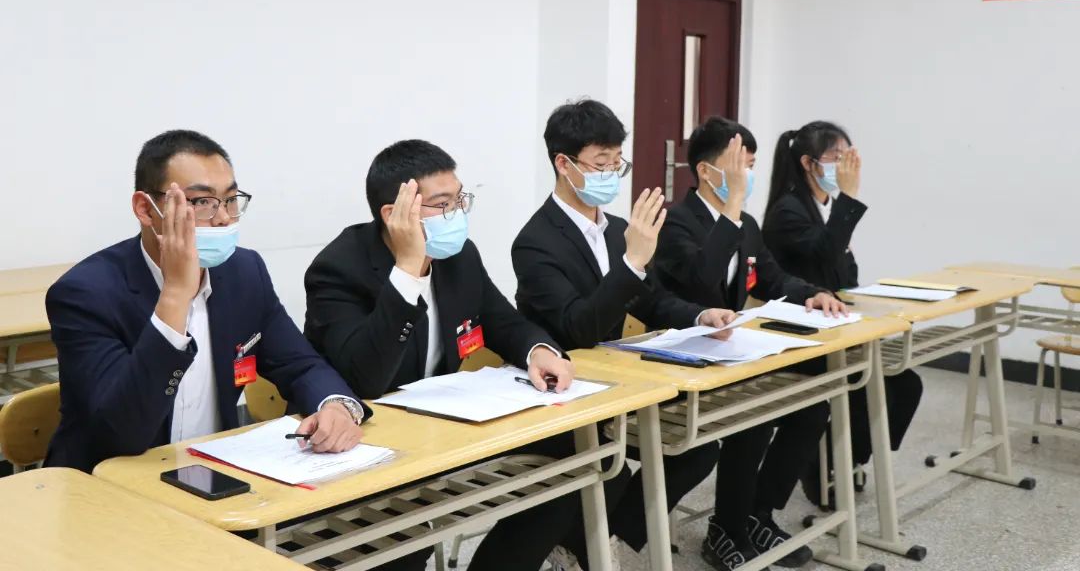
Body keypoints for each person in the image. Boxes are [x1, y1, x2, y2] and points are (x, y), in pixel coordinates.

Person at [304, 139, 581, 571]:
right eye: (442, 204)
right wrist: (407, 269)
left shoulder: (458, 256)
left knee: (571, 462)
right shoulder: (340, 268)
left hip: (444, 429)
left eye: (459, 200)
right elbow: (365, 379)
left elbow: (503, 321)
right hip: (369, 440)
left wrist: (538, 350)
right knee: (403, 537)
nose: (457, 214)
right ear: (394, 214)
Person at [46, 130, 368, 474]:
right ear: (145, 209)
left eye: (230, 200)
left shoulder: (244, 272)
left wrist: (337, 406)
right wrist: (175, 295)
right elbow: (122, 433)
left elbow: (302, 365)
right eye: (202, 202)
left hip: (212, 473)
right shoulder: (85, 293)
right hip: (106, 483)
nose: (223, 217)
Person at [512, 99, 737, 569]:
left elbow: (651, 301)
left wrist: (700, 315)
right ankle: (584, 542)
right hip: (561, 395)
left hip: (617, 386)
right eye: (601, 163)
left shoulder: (617, 230)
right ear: (564, 164)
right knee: (608, 471)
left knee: (697, 448)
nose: (612, 174)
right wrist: (632, 260)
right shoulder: (534, 242)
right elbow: (579, 328)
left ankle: (595, 537)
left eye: (618, 162)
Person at [654, 117, 846, 570]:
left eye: (752, 166)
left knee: (812, 404)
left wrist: (812, 293)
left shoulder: (745, 223)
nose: (748, 176)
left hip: (730, 353)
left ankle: (758, 512)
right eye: (740, 165)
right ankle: (727, 527)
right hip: (682, 357)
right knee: (754, 417)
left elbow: (773, 277)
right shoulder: (676, 222)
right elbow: (701, 278)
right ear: (706, 171)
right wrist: (734, 207)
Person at [762, 121, 922, 503]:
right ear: (808, 163)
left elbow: (845, 274)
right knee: (867, 387)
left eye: (847, 156)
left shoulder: (827, 208)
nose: (845, 166)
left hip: (835, 327)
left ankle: (843, 460)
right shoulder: (787, 211)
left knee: (905, 384)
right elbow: (824, 255)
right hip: (800, 334)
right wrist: (849, 198)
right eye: (836, 157)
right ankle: (823, 467)